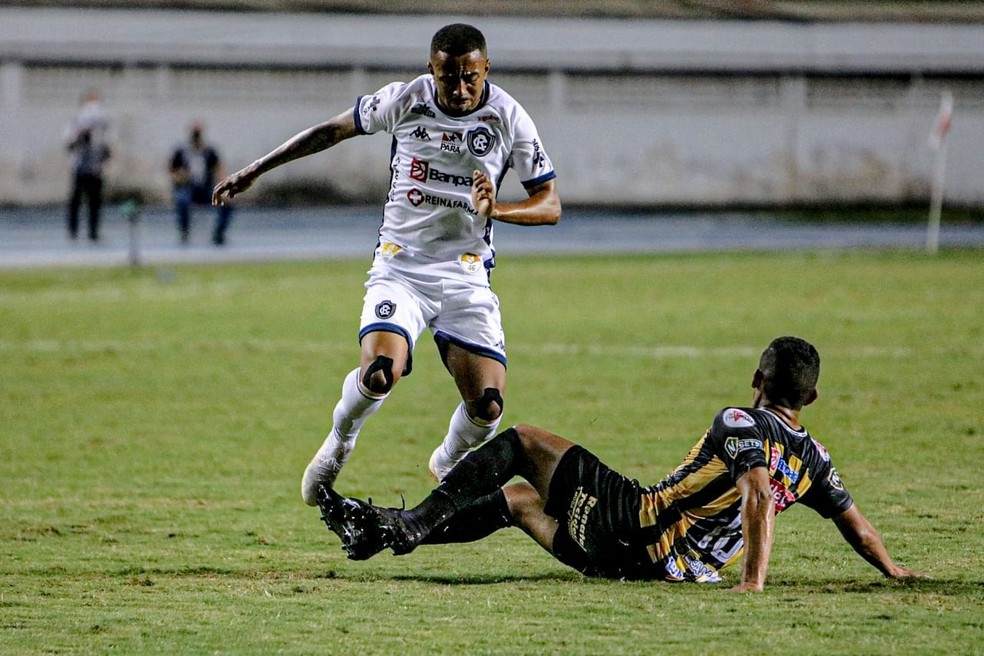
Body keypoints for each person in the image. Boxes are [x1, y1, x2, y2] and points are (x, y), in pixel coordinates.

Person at [212, 24, 561, 506]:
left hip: (464, 274)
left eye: (470, 78)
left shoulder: (509, 117)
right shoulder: (404, 100)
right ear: (431, 70)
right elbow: (330, 131)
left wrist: (497, 210)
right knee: (380, 371)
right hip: (401, 268)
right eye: (448, 78)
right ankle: (339, 443)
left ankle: (447, 458)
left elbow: (550, 203)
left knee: (488, 407)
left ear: (486, 70)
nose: (460, 89)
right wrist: (256, 169)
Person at [317, 336, 927, 591]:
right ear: (811, 398)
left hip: (633, 525)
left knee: (523, 440)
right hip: (651, 571)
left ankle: (412, 524)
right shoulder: (815, 461)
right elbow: (859, 528)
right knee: (521, 503)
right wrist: (894, 571)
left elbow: (758, 494)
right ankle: (384, 533)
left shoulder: (740, 421)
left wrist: (754, 584)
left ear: (756, 381)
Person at [171, 122, 233, 245]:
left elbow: (219, 170)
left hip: (206, 188)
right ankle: (184, 231)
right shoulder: (181, 152)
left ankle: (219, 233)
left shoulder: (209, 152)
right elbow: (172, 172)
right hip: (188, 188)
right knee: (182, 200)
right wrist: (181, 177)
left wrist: (225, 187)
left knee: (227, 202)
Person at [65, 90, 111, 242]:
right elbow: (69, 145)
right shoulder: (75, 123)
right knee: (76, 201)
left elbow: (107, 147)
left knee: (95, 202)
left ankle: (93, 231)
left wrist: (103, 163)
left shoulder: (103, 125)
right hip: (79, 168)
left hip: (95, 169)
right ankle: (73, 231)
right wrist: (80, 134)